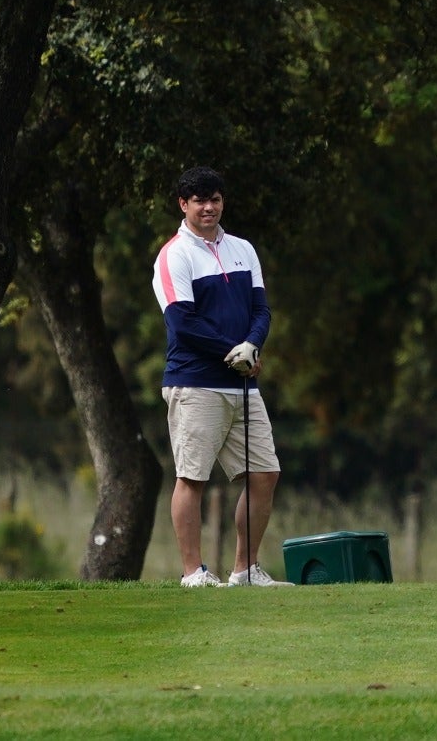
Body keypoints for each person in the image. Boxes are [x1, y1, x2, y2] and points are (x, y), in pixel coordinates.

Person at [152, 167, 290, 588]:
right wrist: (235, 353)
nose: (208, 207)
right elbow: (182, 323)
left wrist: (252, 345)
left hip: (242, 383)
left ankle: (245, 570)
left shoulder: (242, 249)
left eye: (214, 199)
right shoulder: (174, 255)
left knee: (264, 473)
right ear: (184, 205)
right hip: (195, 383)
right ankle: (193, 573)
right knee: (192, 477)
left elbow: (261, 310)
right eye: (199, 201)